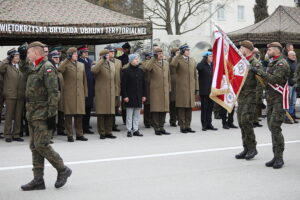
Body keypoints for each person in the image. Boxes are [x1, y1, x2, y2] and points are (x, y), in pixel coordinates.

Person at [21, 41, 71, 191]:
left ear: (36, 53)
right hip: (32, 113)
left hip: (43, 113)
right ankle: (38, 180)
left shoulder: (47, 67)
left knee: (41, 145)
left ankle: (63, 169)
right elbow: (24, 69)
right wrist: (23, 56)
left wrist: (51, 115)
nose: (28, 55)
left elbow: (54, 93)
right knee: (34, 147)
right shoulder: (34, 66)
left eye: (28, 53)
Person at [251, 42, 290, 169]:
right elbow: (267, 83)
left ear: (277, 50)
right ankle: (275, 155)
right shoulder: (272, 62)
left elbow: (275, 80)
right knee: (271, 127)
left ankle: (280, 158)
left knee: (275, 127)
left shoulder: (281, 63)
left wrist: (260, 72)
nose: (268, 50)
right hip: (271, 100)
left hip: (279, 100)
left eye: (270, 49)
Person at [235, 40, 261, 160]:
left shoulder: (254, 62)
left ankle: (252, 148)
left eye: (241, 48)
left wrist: (258, 99)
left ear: (247, 49)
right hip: (242, 95)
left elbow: (260, 81)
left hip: (251, 95)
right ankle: (246, 148)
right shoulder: (242, 61)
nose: (240, 50)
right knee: (241, 121)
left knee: (246, 120)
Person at [58, 47, 88, 142]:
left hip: (79, 93)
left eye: (76, 54)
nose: (76, 56)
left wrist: (85, 92)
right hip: (69, 94)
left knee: (79, 116)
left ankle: (79, 134)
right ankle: (69, 135)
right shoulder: (65, 64)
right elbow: (59, 70)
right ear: (70, 55)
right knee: (68, 116)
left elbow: (84, 80)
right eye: (74, 54)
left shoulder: (81, 65)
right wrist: (67, 60)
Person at [171, 45, 198, 133]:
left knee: (189, 108)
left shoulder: (192, 60)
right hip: (182, 89)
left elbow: (195, 75)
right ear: (183, 51)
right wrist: (178, 55)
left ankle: (188, 126)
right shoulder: (178, 59)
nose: (188, 51)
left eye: (189, 50)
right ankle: (182, 126)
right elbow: (172, 65)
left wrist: (196, 87)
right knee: (182, 108)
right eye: (187, 50)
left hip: (190, 88)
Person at [0, 48, 26, 142]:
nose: (18, 57)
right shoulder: (6, 66)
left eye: (18, 56)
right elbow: (0, 68)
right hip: (10, 94)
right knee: (9, 115)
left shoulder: (20, 66)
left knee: (18, 116)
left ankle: (16, 134)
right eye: (15, 56)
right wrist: (7, 59)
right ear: (11, 57)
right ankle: (7, 135)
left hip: (20, 95)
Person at [91, 49, 117, 139]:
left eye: (108, 54)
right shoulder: (96, 63)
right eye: (106, 55)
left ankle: (108, 131)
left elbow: (114, 79)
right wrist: (102, 60)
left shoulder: (112, 64)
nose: (108, 56)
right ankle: (102, 132)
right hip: (101, 92)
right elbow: (94, 71)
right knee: (101, 113)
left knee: (110, 112)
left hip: (111, 91)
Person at [145, 48, 171, 135]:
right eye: (158, 53)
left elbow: (168, 77)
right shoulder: (152, 63)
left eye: (161, 53)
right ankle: (156, 128)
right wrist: (153, 58)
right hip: (155, 90)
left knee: (164, 109)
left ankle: (162, 127)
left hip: (164, 90)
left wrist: (169, 88)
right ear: (155, 54)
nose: (160, 54)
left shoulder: (166, 63)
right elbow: (147, 68)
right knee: (156, 110)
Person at [121, 54, 146, 137]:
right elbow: (123, 85)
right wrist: (125, 96)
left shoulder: (140, 71)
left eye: (137, 59)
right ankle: (129, 130)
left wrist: (144, 95)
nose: (137, 60)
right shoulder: (126, 71)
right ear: (131, 61)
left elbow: (143, 84)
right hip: (130, 97)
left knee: (137, 115)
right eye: (135, 59)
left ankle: (135, 129)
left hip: (138, 96)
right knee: (129, 115)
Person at [197, 51, 217, 131]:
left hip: (211, 91)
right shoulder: (202, 65)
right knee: (204, 108)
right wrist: (203, 59)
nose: (212, 58)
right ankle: (204, 125)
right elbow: (198, 68)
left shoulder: (212, 65)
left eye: (212, 56)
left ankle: (209, 124)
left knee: (210, 108)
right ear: (206, 58)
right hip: (204, 91)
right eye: (210, 56)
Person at [77, 45, 95, 134]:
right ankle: (81, 127)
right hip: (83, 87)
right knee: (82, 109)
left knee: (88, 108)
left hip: (90, 87)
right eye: (85, 52)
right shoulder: (78, 61)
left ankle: (86, 126)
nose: (87, 53)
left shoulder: (90, 61)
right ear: (80, 53)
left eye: (87, 52)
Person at [48, 50, 65, 135]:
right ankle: (50, 133)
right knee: (52, 114)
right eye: (55, 58)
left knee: (61, 112)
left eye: (58, 57)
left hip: (60, 92)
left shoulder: (60, 67)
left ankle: (61, 129)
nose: (57, 59)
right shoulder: (49, 67)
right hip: (52, 94)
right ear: (51, 58)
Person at [107, 47, 121, 132]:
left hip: (116, 87)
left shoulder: (119, 62)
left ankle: (113, 124)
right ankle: (109, 125)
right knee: (109, 108)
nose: (113, 53)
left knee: (115, 107)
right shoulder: (104, 61)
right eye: (111, 51)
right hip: (108, 88)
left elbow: (120, 74)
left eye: (113, 51)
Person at [118, 42, 131, 124]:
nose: (127, 50)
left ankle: (128, 119)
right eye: (126, 49)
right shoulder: (120, 58)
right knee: (124, 101)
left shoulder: (132, 57)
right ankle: (125, 119)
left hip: (131, 81)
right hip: (124, 80)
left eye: (128, 49)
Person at [285, 51, 298, 123]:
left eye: (295, 55)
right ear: (288, 55)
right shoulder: (286, 63)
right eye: (293, 55)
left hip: (294, 85)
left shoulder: (295, 62)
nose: (294, 56)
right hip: (288, 85)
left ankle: (291, 116)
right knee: (288, 101)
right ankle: (286, 118)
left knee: (293, 102)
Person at [168, 48, 179, 127]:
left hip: (179, 84)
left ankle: (179, 119)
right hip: (172, 84)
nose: (179, 53)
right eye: (177, 52)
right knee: (173, 103)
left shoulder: (180, 59)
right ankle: (173, 120)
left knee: (179, 103)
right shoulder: (169, 60)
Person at [142, 52, 153, 128]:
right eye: (150, 57)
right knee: (147, 105)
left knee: (153, 105)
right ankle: (147, 122)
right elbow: (146, 68)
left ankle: (152, 120)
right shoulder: (143, 64)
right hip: (147, 87)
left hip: (154, 86)